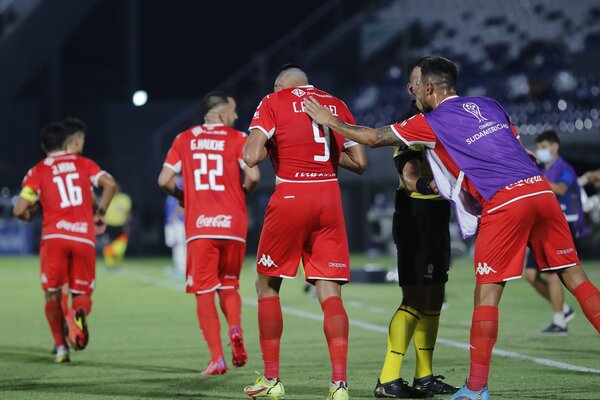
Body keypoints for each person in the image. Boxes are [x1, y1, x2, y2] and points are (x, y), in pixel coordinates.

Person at [303, 56, 600, 400]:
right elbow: (524, 152)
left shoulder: (430, 122)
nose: (412, 89)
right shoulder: (489, 104)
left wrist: (330, 121)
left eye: (416, 84)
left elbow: (372, 138)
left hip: (503, 202)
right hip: (540, 190)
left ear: (428, 88)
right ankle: (424, 376)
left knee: (487, 293)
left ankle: (475, 388)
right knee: (577, 279)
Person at [242, 64, 367, 400]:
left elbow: (251, 156)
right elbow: (359, 163)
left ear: (279, 84)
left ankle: (271, 380)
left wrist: (270, 145)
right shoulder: (335, 103)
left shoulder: (273, 101)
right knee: (330, 293)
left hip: (292, 195)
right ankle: (339, 384)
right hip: (329, 197)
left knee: (267, 286)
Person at [158, 92, 260, 376]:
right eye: (234, 110)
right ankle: (236, 328)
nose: (236, 116)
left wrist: (182, 197)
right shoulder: (238, 139)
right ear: (220, 112)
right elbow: (253, 177)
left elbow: (164, 179)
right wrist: (239, 197)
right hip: (233, 223)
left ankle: (217, 358)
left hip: (201, 224)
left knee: (203, 291)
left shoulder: (184, 139)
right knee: (229, 285)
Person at [374, 58, 458, 399]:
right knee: (415, 297)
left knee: (435, 296)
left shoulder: (446, 119)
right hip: (414, 216)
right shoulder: (409, 125)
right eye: (411, 81)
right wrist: (431, 183)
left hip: (438, 217)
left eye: (417, 80)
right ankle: (387, 379)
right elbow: (409, 179)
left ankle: (424, 377)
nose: (412, 86)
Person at [13, 123, 116, 363]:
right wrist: (100, 212)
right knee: (82, 292)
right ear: (66, 143)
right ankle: (75, 314)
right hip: (83, 237)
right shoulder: (84, 164)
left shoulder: (38, 170)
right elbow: (110, 184)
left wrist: (29, 215)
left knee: (52, 294)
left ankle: (61, 348)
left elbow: (20, 209)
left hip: (54, 238)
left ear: (43, 146)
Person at [524, 130, 587, 335]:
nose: (540, 151)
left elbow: (561, 189)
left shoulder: (564, 168)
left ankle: (559, 322)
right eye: (539, 148)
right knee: (531, 275)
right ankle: (564, 308)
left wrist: (538, 183)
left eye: (543, 147)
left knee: (552, 274)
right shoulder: (540, 168)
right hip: (542, 225)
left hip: (563, 224)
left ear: (554, 147)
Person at [102, 185, 132, 267]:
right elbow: (102, 211)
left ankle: (118, 262)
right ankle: (109, 263)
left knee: (121, 246)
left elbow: (128, 213)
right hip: (109, 225)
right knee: (108, 244)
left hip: (120, 225)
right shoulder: (107, 197)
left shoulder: (125, 198)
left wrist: (128, 225)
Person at [164, 177, 186, 279]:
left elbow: (183, 201)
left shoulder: (181, 184)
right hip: (173, 222)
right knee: (174, 245)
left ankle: (182, 269)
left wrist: (175, 216)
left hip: (179, 221)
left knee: (180, 245)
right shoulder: (172, 187)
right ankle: (178, 267)